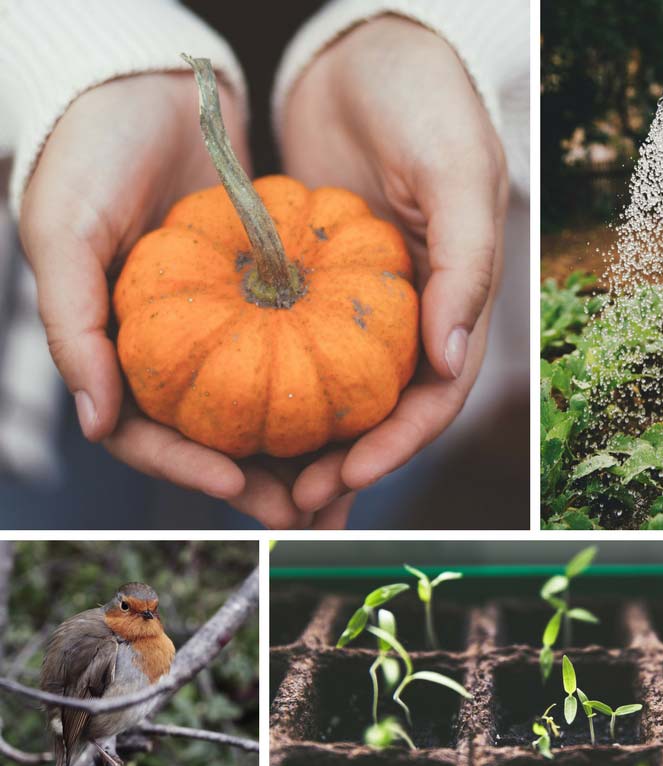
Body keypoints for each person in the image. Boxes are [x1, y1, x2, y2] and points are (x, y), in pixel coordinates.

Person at [0, 0, 529, 529]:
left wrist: (438, 27)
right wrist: (78, 60)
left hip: (376, 355)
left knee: (342, 509)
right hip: (61, 337)